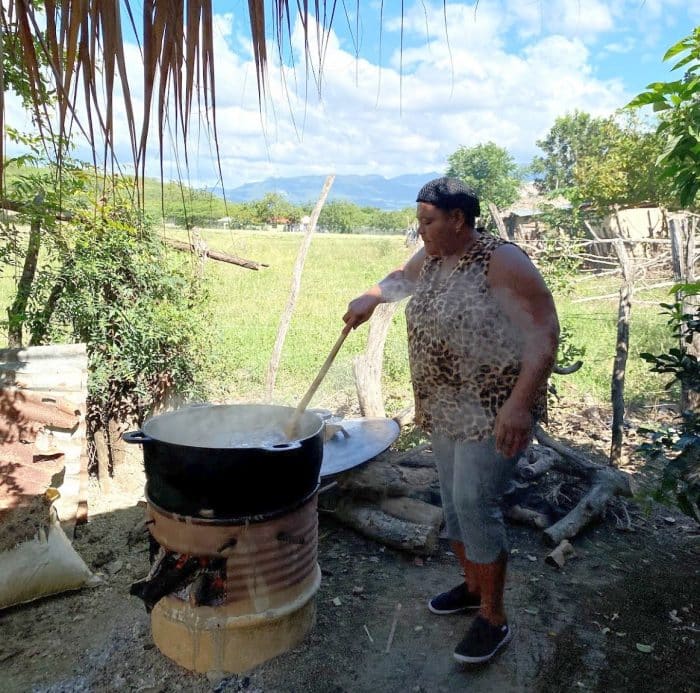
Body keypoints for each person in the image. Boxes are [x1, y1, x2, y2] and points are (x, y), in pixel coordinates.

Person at [343, 177, 559, 665]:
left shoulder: (501, 261)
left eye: (428, 221)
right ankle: (471, 586)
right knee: (455, 504)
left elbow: (544, 332)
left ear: (458, 219)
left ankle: (494, 618)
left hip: (493, 411)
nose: (420, 230)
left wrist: (520, 405)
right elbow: (402, 278)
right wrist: (371, 296)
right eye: (420, 220)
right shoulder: (437, 256)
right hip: (444, 405)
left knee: (474, 503)